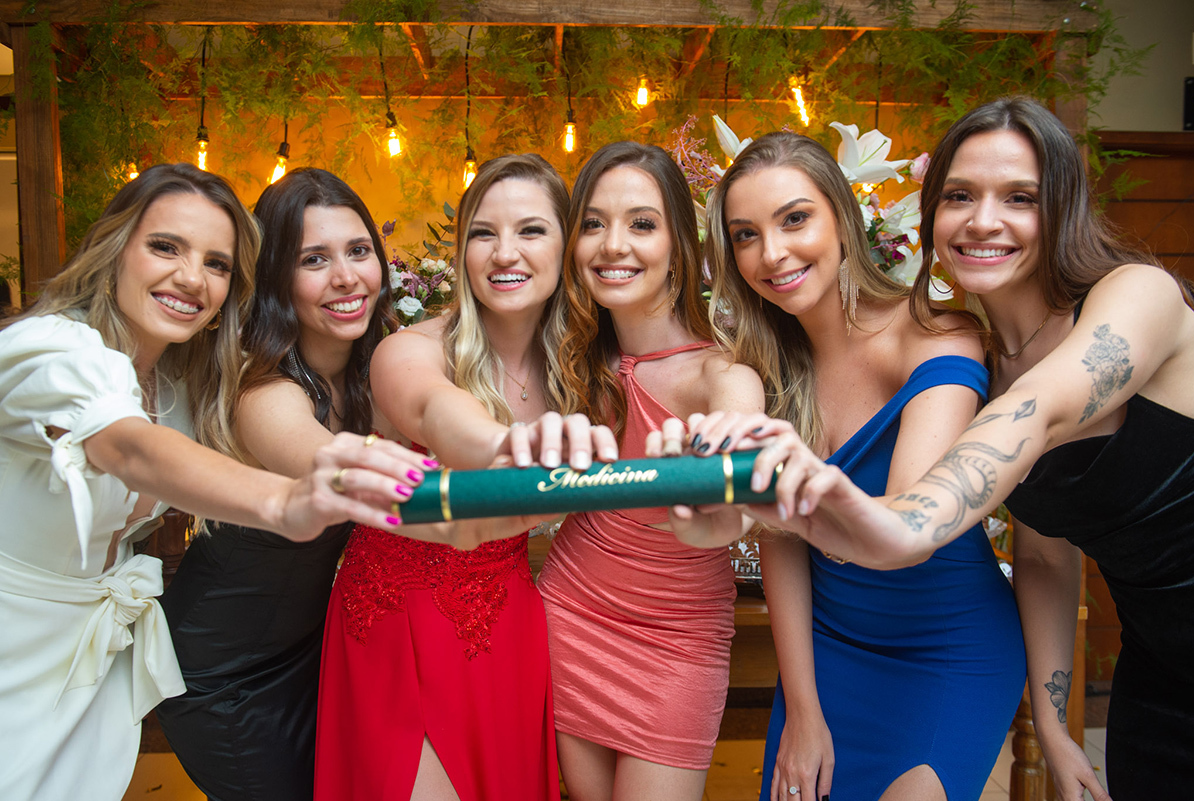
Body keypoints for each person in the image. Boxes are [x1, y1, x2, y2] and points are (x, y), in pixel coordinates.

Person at [682, 98, 1194, 801]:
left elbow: (1039, 414)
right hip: (1160, 672)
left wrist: (843, 510)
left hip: (945, 646)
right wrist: (1051, 723)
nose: (983, 220)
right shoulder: (995, 361)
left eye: (1020, 197)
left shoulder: (1137, 296)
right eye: (959, 195)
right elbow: (1046, 555)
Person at [0, 164, 428, 801]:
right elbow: (126, 447)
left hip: (96, 657)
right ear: (115, 248)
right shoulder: (51, 348)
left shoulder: (183, 384)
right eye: (165, 247)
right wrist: (285, 501)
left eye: (218, 263)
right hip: (22, 638)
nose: (191, 277)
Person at [668, 131, 1025, 801]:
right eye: (745, 235)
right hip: (827, 654)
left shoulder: (938, 335)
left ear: (843, 218)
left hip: (946, 648)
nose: (771, 253)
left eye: (794, 218)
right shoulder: (766, 370)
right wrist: (802, 707)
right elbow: (781, 546)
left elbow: (906, 527)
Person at [315, 154, 614, 801]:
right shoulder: (411, 350)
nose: (505, 252)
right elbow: (434, 412)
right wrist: (508, 446)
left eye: (531, 230)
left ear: (568, 245)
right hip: (399, 620)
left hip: (506, 620)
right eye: (484, 232)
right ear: (462, 250)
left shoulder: (591, 370)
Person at [153, 168, 418, 799]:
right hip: (223, 672)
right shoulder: (263, 391)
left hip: (309, 654)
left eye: (358, 252)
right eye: (314, 260)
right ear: (276, 278)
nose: (347, 277)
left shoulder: (373, 369)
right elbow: (341, 474)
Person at [536, 141, 764, 801]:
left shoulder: (724, 374)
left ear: (678, 246)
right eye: (594, 223)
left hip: (679, 637)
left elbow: (740, 485)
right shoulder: (572, 364)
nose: (614, 244)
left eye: (641, 223)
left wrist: (727, 494)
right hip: (572, 612)